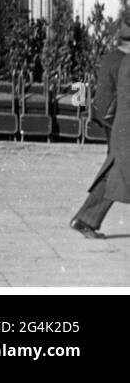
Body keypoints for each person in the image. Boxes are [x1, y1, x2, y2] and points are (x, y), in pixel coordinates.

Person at [70, 24, 130, 239]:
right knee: (116, 172)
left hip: (116, 122)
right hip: (122, 125)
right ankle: (86, 218)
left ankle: (86, 219)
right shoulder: (125, 62)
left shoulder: (115, 57)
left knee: (116, 171)